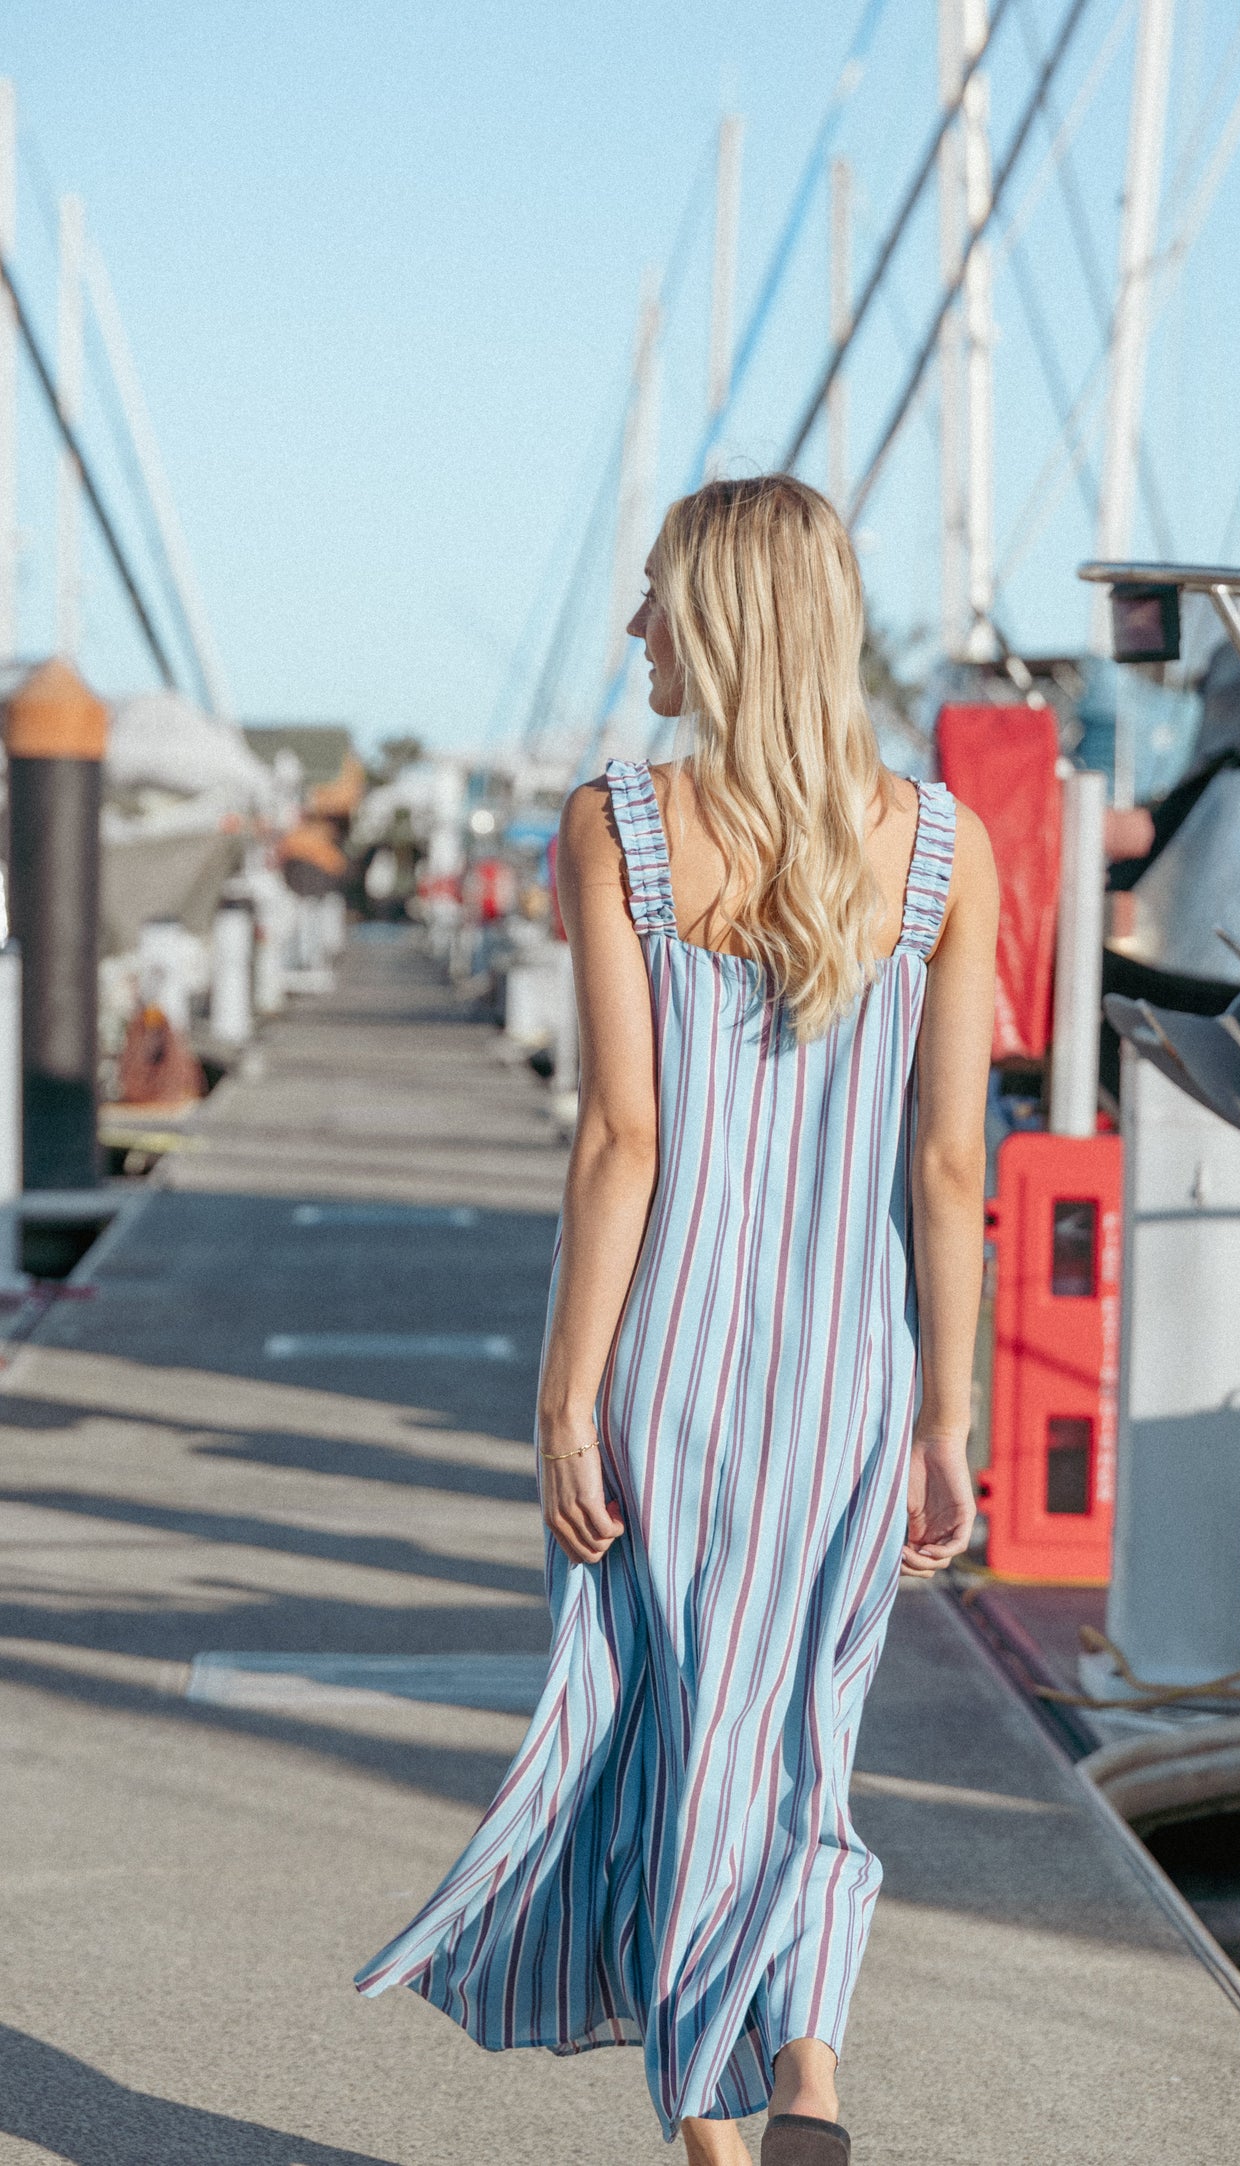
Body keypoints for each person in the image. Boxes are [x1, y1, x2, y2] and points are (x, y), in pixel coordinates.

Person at [356, 475, 998, 2164]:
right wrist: (947, 1419)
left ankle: (717, 2135)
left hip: (679, 1371)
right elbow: (946, 1164)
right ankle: (804, 2072)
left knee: (660, 1727)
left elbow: (622, 1139)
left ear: (715, 621)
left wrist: (565, 1400)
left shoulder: (622, 827)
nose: (633, 622)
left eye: (653, 597)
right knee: (799, 1730)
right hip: (849, 1377)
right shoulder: (938, 846)